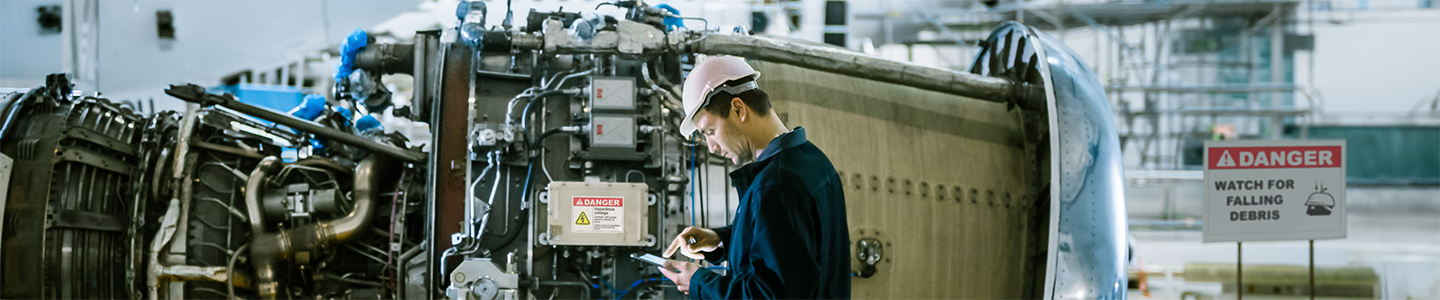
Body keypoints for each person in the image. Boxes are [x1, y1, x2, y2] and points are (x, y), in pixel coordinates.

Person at [658, 56, 851, 299]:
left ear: (738, 109)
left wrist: (698, 282)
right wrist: (721, 240)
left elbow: (768, 294)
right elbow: (793, 251)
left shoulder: (777, 186)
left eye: (710, 132)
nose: (711, 147)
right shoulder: (810, 159)